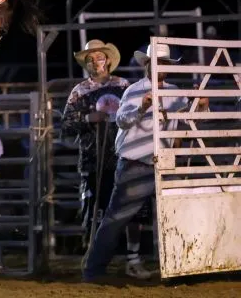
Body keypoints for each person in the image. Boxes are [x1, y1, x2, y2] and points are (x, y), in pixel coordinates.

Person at [82, 43, 209, 282]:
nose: (160, 67)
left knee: (175, 216)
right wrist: (143, 107)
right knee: (117, 218)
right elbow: (121, 120)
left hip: (163, 163)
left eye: (164, 63)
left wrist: (199, 107)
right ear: (148, 65)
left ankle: (180, 269)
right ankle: (93, 270)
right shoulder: (135, 91)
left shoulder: (174, 93)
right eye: (157, 63)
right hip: (137, 163)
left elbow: (188, 123)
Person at [61, 39, 150, 279]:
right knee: (95, 212)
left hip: (124, 156)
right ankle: (94, 260)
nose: (94, 63)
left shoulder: (124, 87)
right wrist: (90, 119)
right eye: (90, 59)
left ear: (108, 60)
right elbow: (66, 126)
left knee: (133, 212)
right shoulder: (79, 92)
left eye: (98, 57)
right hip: (92, 159)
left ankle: (132, 259)